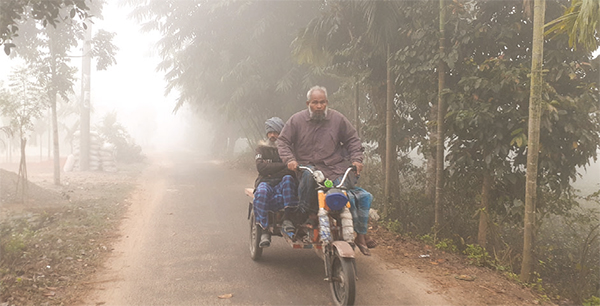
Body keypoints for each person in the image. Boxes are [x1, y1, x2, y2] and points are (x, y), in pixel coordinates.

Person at [277, 85, 376, 255]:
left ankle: (357, 231)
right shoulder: (296, 120)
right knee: (308, 179)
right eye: (315, 102)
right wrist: (290, 160)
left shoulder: (338, 119)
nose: (319, 106)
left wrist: (357, 160)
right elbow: (283, 141)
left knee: (344, 192)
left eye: (322, 102)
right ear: (308, 103)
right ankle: (305, 215)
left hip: (335, 167)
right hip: (307, 167)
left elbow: (353, 140)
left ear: (327, 103)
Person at [253, 117, 298, 248]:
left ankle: (288, 219)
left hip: (282, 182)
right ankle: (264, 230)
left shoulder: (287, 149)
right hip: (265, 181)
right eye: (270, 132)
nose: (273, 135)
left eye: (276, 132)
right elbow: (260, 168)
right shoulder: (261, 148)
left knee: (289, 180)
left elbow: (290, 171)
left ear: (281, 133)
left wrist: (270, 168)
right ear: (267, 133)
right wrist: (282, 165)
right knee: (261, 193)